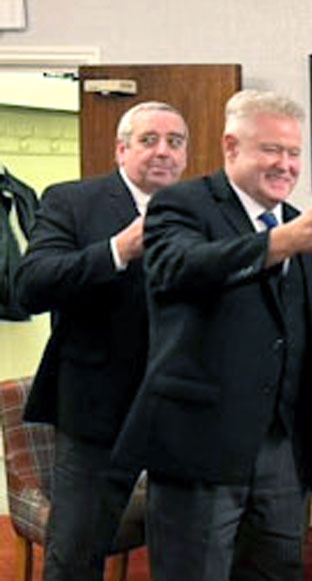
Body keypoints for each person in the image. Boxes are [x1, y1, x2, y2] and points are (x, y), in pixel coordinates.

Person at [112, 90, 312, 580]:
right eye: (272, 150)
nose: (286, 165)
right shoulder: (180, 204)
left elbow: (311, 335)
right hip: (199, 445)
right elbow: (177, 267)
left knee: (274, 570)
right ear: (231, 147)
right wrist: (276, 243)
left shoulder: (297, 224)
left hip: (282, 451)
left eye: (293, 153)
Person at [15, 101, 187, 581]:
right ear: (120, 149)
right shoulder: (73, 201)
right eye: (149, 139)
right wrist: (117, 250)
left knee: (190, 552)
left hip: (182, 410)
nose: (163, 152)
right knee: (76, 553)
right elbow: (31, 286)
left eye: (175, 142)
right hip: (97, 410)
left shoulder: (203, 210)